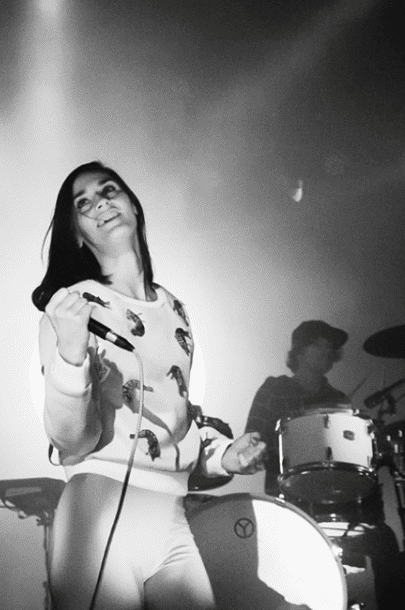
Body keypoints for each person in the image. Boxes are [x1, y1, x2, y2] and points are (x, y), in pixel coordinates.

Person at [32, 161, 267, 610]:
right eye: (83, 203)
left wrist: (222, 456)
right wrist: (71, 355)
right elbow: (70, 439)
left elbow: (176, 422)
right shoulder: (73, 309)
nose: (100, 203)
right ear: (77, 233)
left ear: (134, 205)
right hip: (99, 512)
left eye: (109, 190)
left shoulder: (176, 309)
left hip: (172, 518)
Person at [244, 320, 405, 609]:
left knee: (384, 541)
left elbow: (354, 462)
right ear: (299, 351)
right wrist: (270, 449)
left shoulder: (339, 400)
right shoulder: (274, 389)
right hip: (289, 506)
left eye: (329, 346)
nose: (326, 351)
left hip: (339, 506)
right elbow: (251, 440)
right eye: (318, 344)